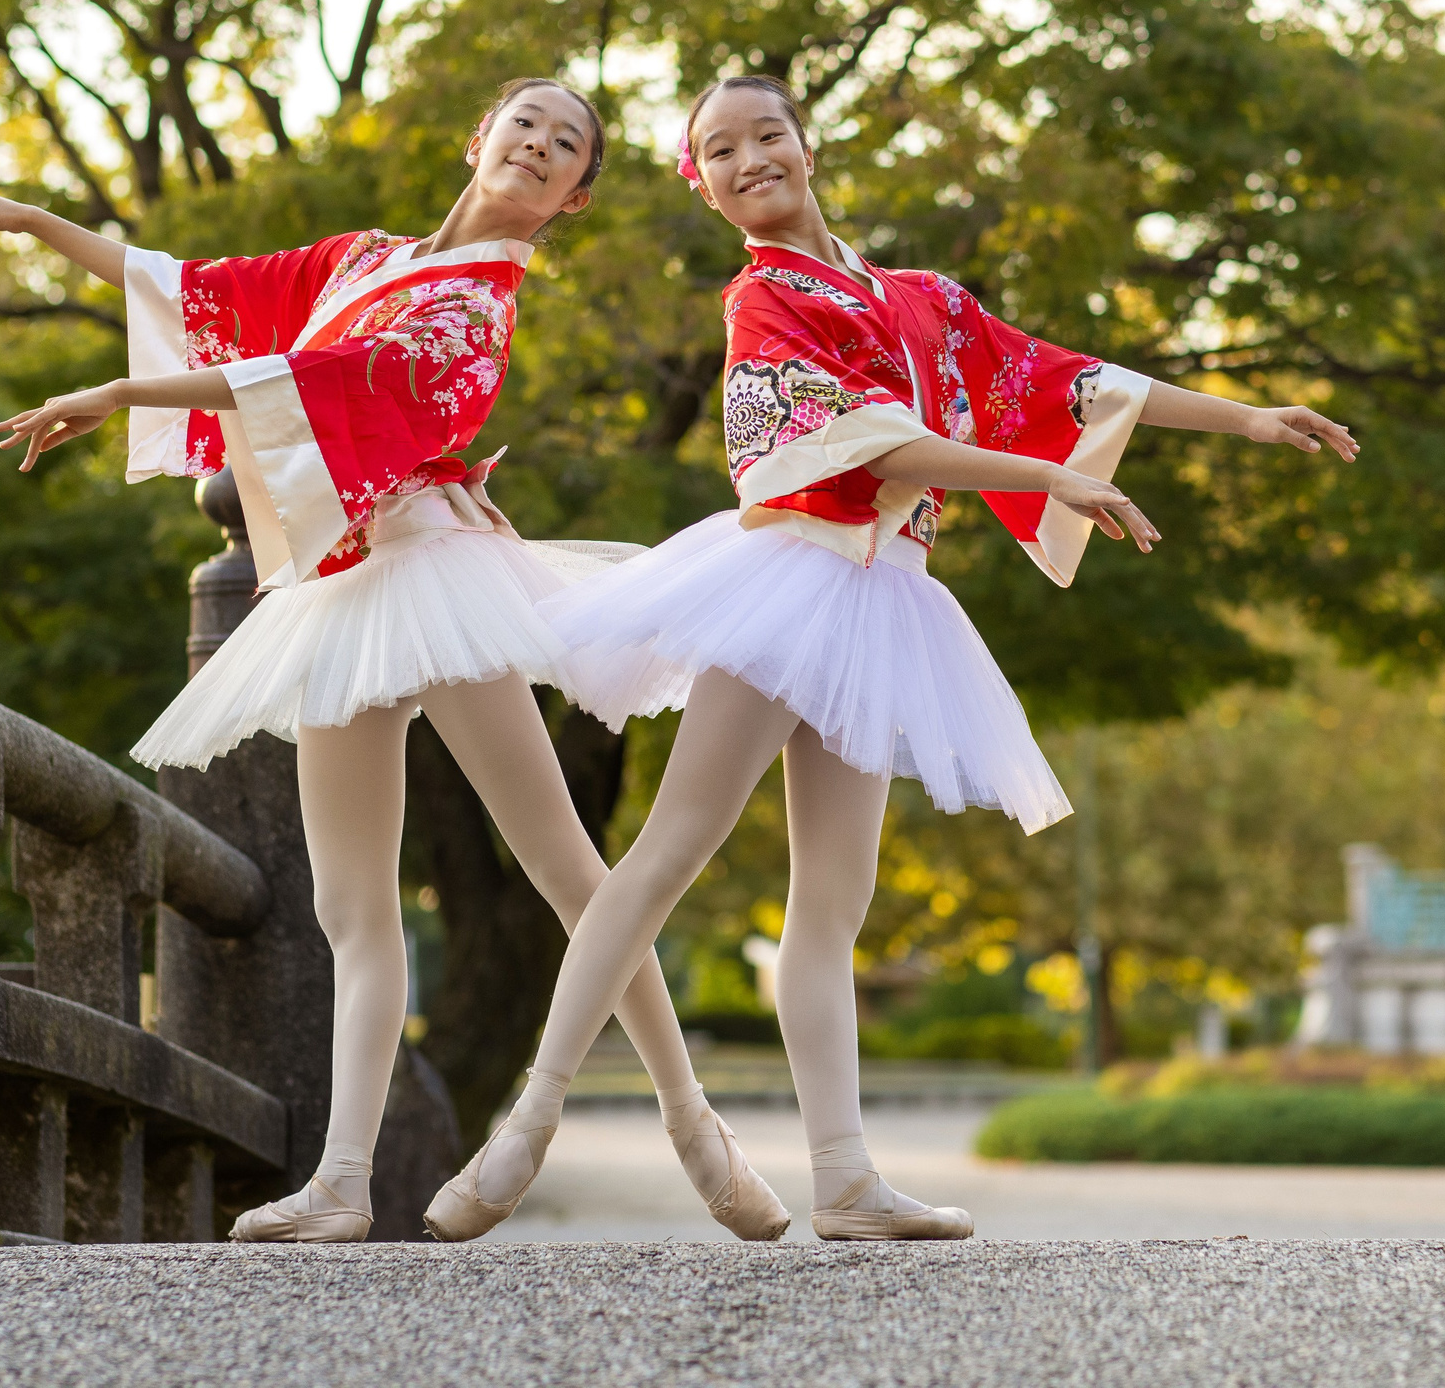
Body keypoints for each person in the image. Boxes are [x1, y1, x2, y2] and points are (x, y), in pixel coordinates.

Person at [425, 75, 1358, 1242]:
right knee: (669, 849)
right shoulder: (759, 301)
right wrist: (1041, 475)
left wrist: (1249, 417)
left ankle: (844, 1176)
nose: (748, 157)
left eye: (766, 134)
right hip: (794, 577)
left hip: (882, 599)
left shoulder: (921, 298)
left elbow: (1064, 377)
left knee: (834, 900)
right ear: (702, 185)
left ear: (806, 146)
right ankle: (527, 1124)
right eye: (719, 149)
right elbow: (868, 443)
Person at [0, 77, 787, 1245]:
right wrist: (33, 222)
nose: (538, 144)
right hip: (338, 588)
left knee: (568, 870)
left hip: (432, 571)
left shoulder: (478, 306)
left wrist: (127, 389)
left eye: (566, 144)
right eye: (524, 123)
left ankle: (692, 1119)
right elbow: (199, 290)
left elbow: (327, 389)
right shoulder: (362, 257)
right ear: (479, 140)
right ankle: (341, 1180)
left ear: (572, 199)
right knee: (347, 902)